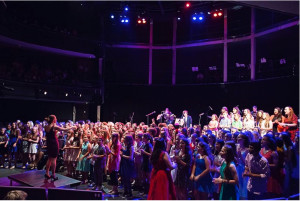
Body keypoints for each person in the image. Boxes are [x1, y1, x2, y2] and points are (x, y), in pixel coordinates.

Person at [44, 115, 76, 180]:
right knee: (54, 159)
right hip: (53, 143)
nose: (56, 119)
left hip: (49, 143)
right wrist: (72, 127)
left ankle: (47, 173)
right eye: (55, 118)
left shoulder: (46, 126)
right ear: (53, 120)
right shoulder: (54, 126)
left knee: (49, 158)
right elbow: (64, 129)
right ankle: (53, 174)